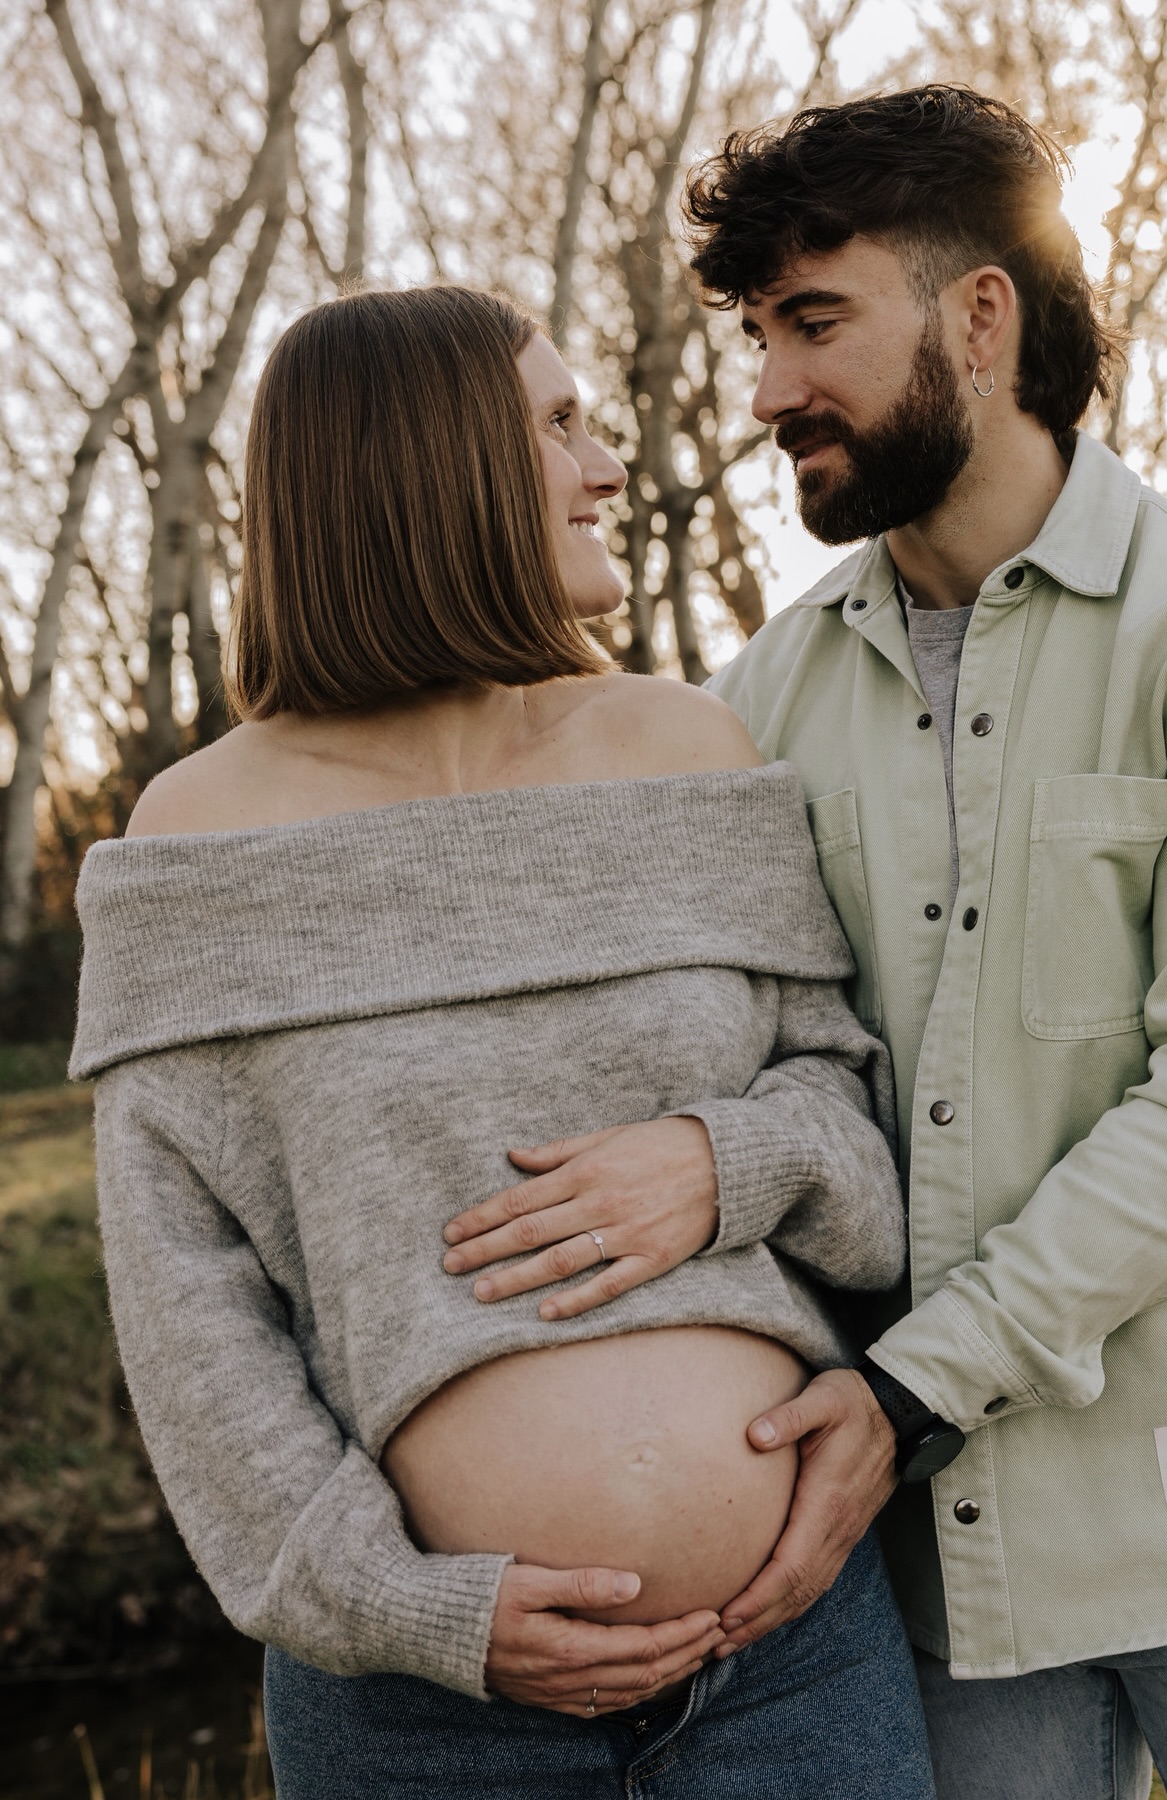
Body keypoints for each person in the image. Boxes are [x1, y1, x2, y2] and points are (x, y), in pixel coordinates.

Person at [672, 84, 1167, 1800]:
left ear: (981, 314)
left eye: (813, 322)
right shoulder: (757, 707)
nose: (770, 391)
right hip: (949, 1580)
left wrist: (912, 1388)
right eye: (757, 335)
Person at [69, 285, 936, 1800]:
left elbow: (848, 1114)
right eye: (558, 424)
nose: (609, 468)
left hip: (791, 1657)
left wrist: (717, 1162)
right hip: (424, 1720)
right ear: (425, 464)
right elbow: (190, 1313)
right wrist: (405, 1607)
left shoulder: (688, 752)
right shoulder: (195, 841)